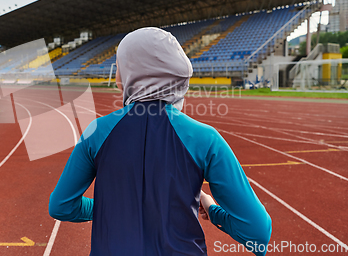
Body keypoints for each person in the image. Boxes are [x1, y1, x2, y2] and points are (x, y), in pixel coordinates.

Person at [49, 27, 271, 255]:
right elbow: (257, 232)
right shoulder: (205, 138)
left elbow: (61, 206)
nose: (116, 76)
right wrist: (211, 208)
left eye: (120, 65)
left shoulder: (96, 132)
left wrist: (114, 209)